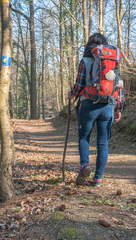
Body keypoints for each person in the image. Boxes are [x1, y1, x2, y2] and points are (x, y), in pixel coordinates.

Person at [68, 33, 124, 187]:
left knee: (84, 137)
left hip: (88, 104)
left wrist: (71, 95)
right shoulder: (113, 61)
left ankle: (85, 165)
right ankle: (98, 179)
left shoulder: (85, 61)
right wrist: (118, 108)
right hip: (108, 106)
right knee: (102, 143)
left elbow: (79, 86)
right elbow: (118, 86)